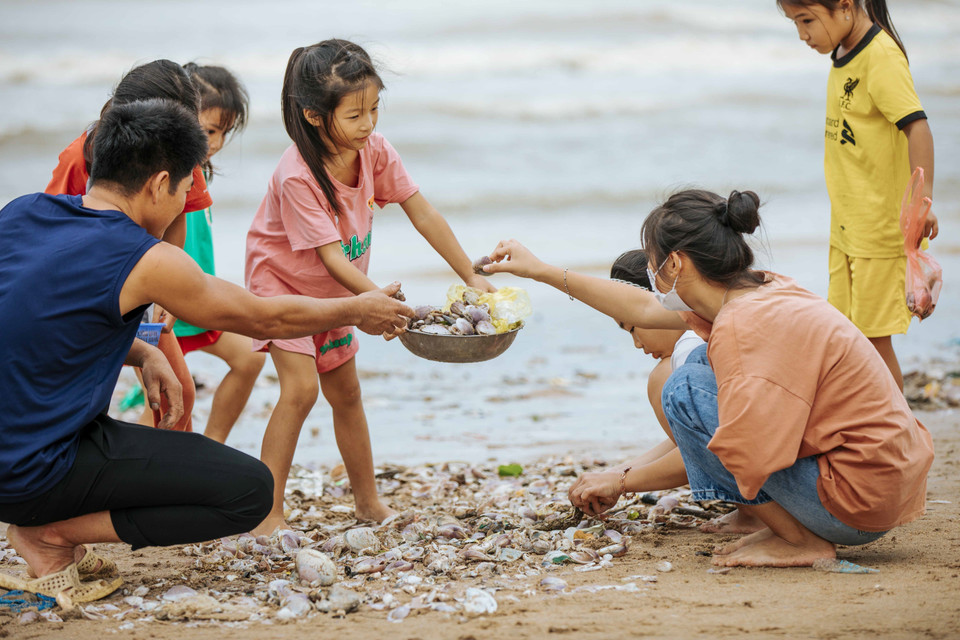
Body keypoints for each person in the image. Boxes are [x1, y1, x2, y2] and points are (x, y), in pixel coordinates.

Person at [0, 98, 413, 605]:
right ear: (158, 184)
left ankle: (44, 519)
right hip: (32, 470)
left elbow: (36, 322)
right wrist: (356, 309)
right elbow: (264, 317)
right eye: (184, 190)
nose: (183, 206)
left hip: (19, 450)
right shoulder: (144, 257)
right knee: (248, 491)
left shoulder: (22, 212)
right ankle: (50, 534)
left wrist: (142, 353)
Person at [483, 188, 934, 567]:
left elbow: (740, 450)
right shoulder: (761, 289)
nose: (650, 276)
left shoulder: (742, 327)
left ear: (675, 264)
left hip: (856, 506)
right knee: (696, 369)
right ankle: (780, 525)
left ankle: (801, 541)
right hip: (884, 484)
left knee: (682, 389)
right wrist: (538, 270)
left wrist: (622, 481)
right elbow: (639, 307)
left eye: (653, 264)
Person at [245, 39, 495, 532]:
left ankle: (368, 502)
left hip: (342, 293)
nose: (370, 124)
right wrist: (373, 300)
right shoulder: (298, 175)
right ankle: (267, 512)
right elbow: (332, 257)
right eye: (355, 115)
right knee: (299, 391)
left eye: (375, 109)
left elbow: (422, 212)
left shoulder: (374, 150)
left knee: (348, 393)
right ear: (315, 116)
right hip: (283, 290)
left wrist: (469, 272)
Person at [778, 0, 937, 389]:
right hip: (848, 227)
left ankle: (898, 435)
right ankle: (874, 426)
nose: (802, 34)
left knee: (873, 343)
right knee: (849, 334)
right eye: (795, 23)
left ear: (845, 6)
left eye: (807, 20)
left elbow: (918, 128)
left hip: (878, 230)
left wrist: (922, 200)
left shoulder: (880, 55)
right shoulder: (844, 50)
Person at [45, 59, 206, 431]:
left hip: (144, 284)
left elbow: (179, 217)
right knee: (81, 399)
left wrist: (168, 293)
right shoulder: (80, 158)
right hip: (83, 292)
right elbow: (53, 228)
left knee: (177, 393)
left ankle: (168, 482)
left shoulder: (184, 155)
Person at [174, 63, 266, 443]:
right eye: (208, 130)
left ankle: (210, 448)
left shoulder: (201, 170)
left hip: (195, 296)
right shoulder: (170, 171)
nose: (215, 141)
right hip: (166, 302)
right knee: (171, 400)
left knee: (250, 357)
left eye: (222, 132)